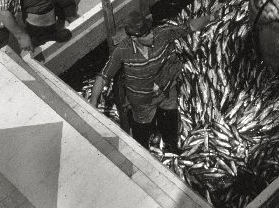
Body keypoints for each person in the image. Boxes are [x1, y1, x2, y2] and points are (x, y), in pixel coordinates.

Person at [89, 10, 213, 153]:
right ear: (134, 38)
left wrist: (210, 17)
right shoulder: (123, 51)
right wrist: (93, 101)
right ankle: (143, 151)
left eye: (150, 31)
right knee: (142, 127)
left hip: (166, 89)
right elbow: (104, 75)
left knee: (170, 117)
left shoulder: (162, 34)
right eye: (146, 34)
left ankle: (171, 145)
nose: (151, 35)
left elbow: (188, 26)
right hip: (142, 100)